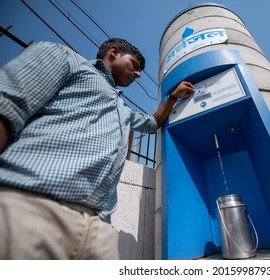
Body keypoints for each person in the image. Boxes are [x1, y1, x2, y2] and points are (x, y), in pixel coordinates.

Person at [0, 38, 195, 259]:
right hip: (31, 205)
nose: (138, 74)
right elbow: (8, 106)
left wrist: (173, 97)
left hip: (99, 228)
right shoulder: (67, 59)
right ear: (113, 52)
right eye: (135, 65)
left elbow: (152, 123)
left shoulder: (122, 108)